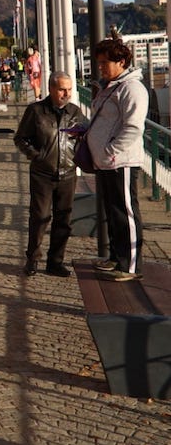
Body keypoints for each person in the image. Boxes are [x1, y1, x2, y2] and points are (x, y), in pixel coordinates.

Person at [88, 38, 149, 281]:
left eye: (105, 62)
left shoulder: (132, 89)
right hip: (106, 161)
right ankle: (116, 257)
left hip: (120, 161)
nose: (101, 67)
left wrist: (111, 150)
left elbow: (133, 127)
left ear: (121, 62)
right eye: (99, 62)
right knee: (113, 211)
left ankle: (131, 266)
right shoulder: (111, 86)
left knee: (125, 212)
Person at [13, 72, 85, 277]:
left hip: (68, 173)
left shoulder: (75, 112)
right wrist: (37, 156)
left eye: (69, 89)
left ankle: (56, 262)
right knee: (40, 217)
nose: (66, 94)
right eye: (62, 89)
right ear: (51, 88)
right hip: (42, 173)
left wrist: (78, 155)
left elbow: (85, 135)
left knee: (64, 219)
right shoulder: (36, 111)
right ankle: (33, 258)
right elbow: (20, 138)